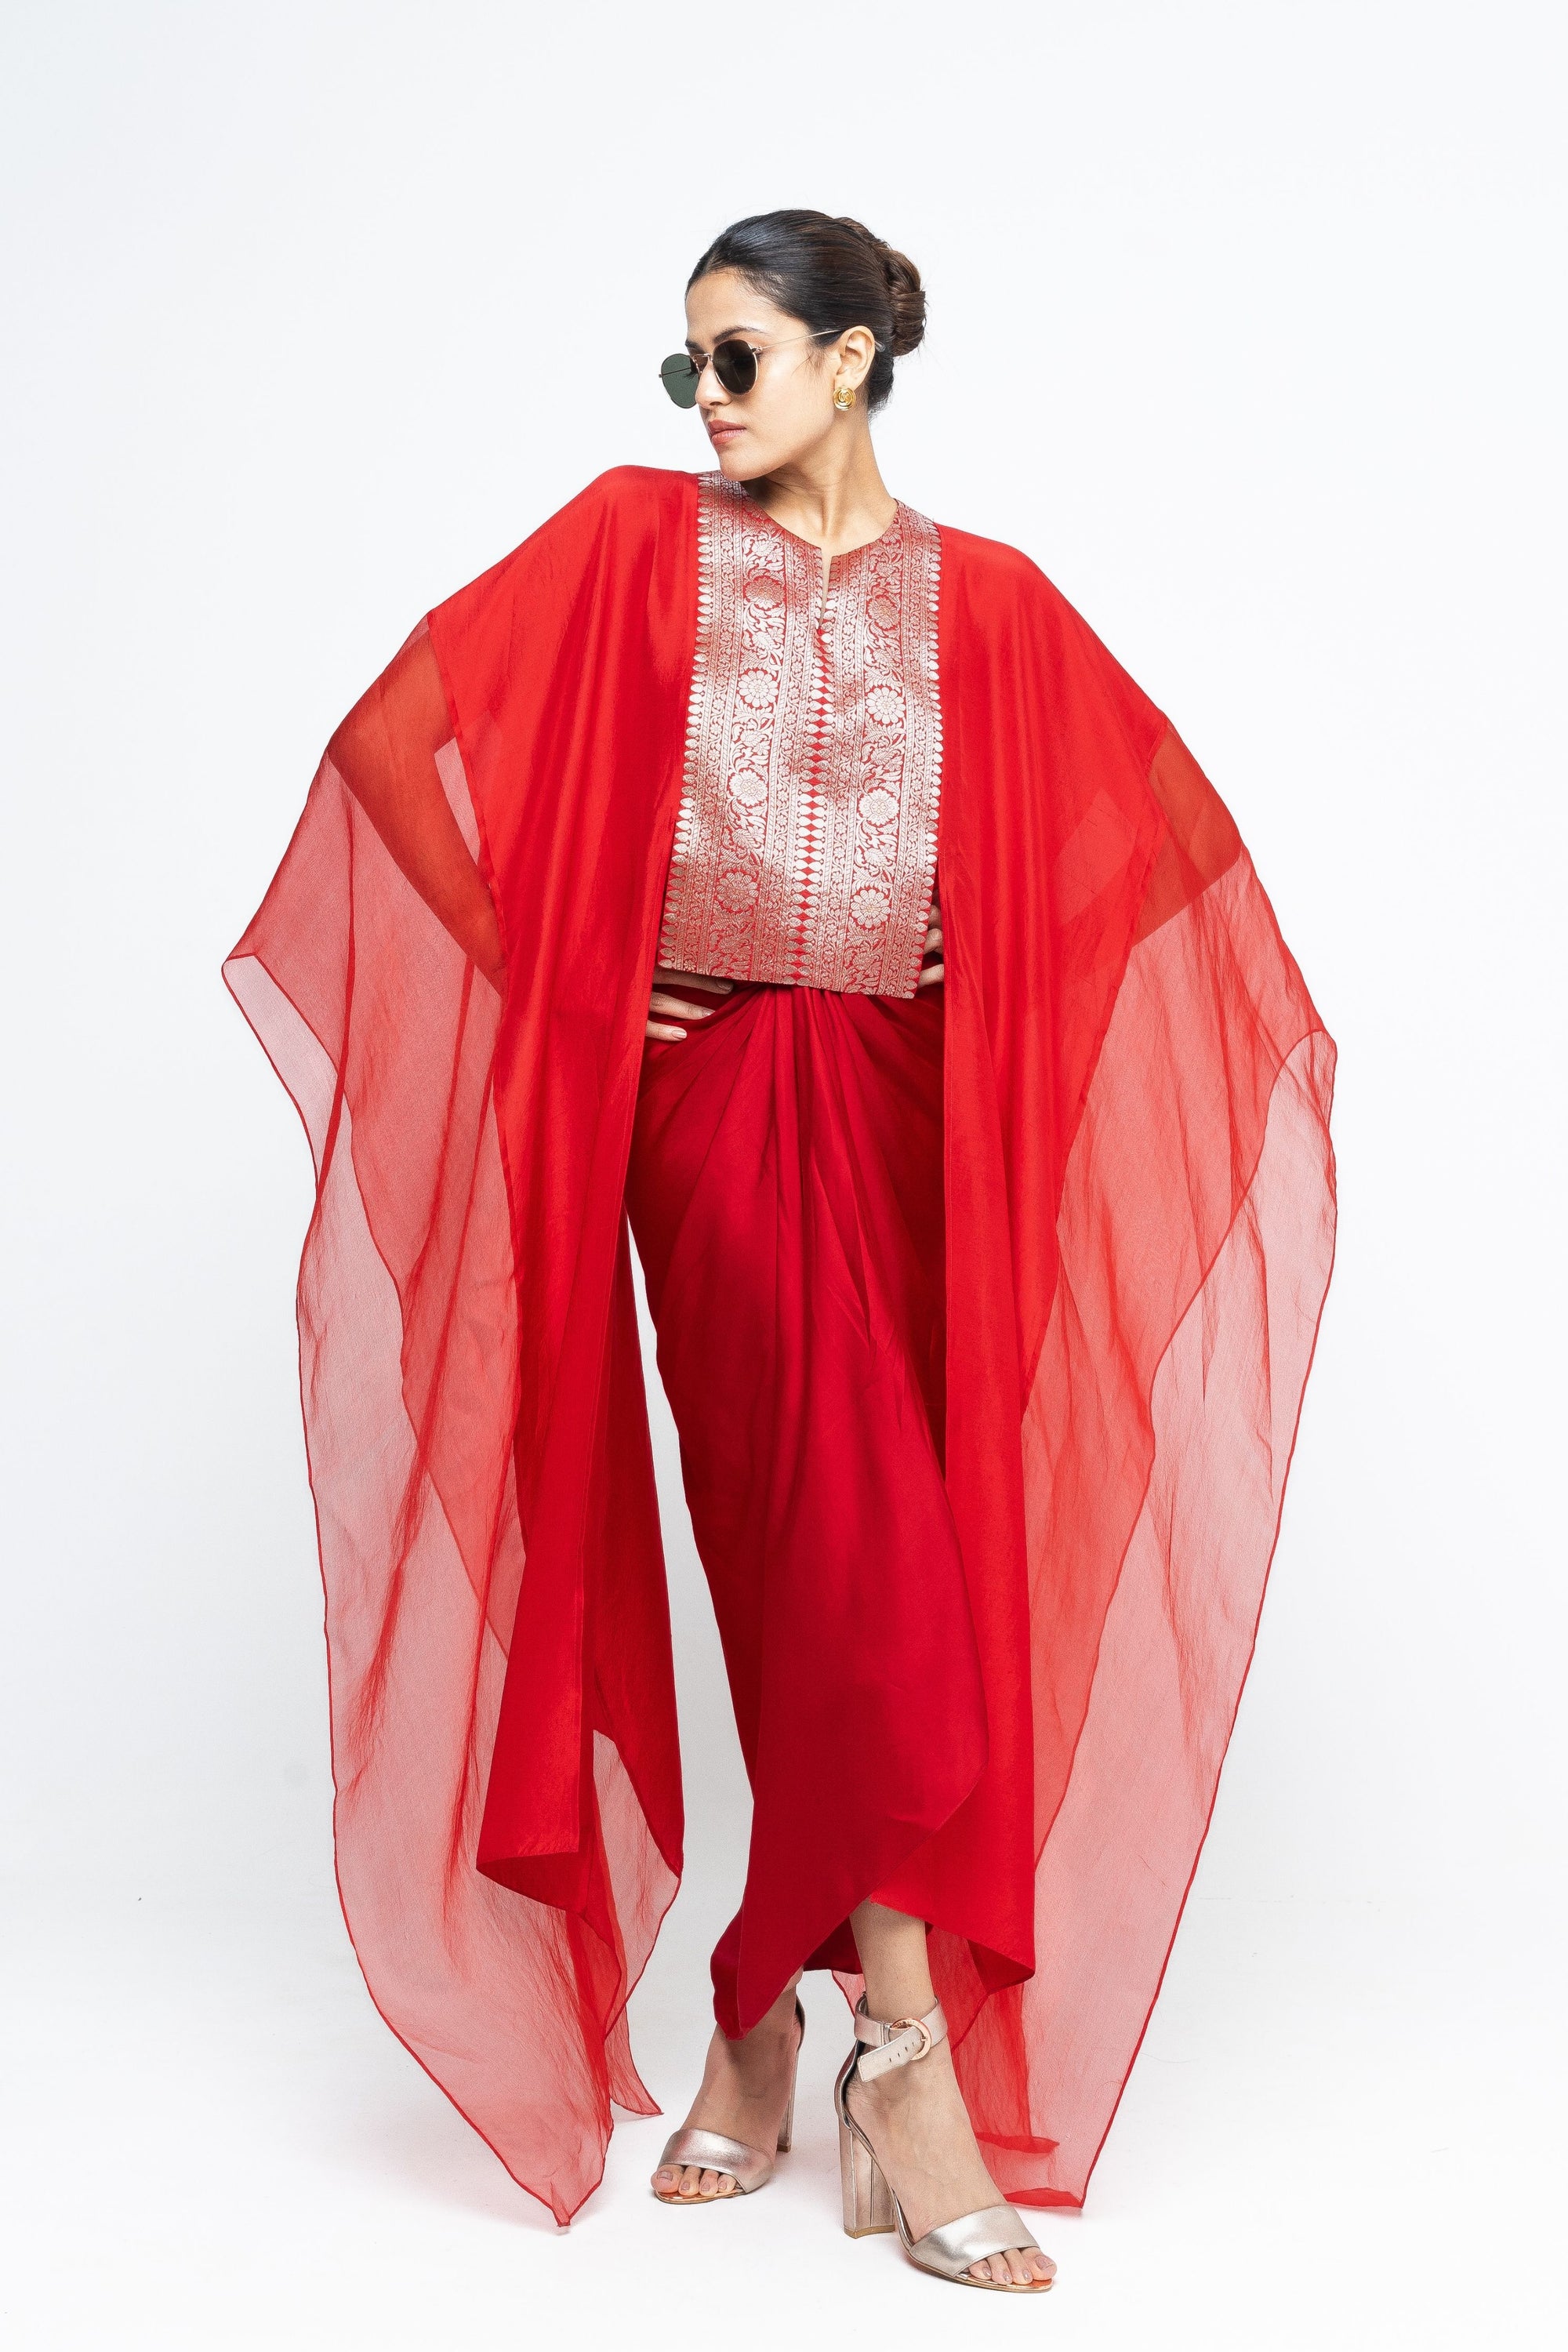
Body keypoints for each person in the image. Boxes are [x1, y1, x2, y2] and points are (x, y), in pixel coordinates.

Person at [224, 210, 1336, 2293]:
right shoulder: (632, 548)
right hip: (716, 1109)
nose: (707, 401)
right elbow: (393, 753)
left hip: (907, 1122)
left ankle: (758, 2010)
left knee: (870, 1578)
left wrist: (985, 969)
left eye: (739, 358)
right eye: (690, 366)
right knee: (835, 1569)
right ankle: (901, 2066)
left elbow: (1152, 857)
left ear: (851, 361)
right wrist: (573, 971)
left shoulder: (991, 605)